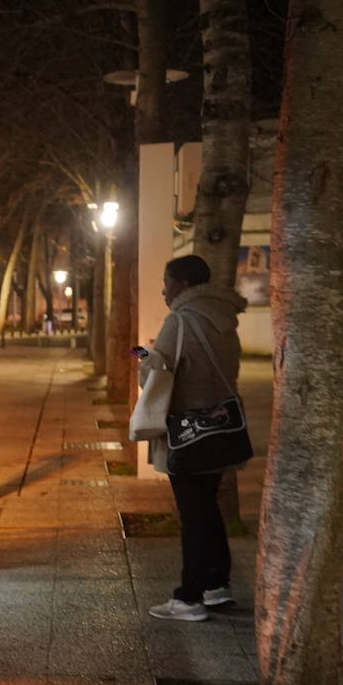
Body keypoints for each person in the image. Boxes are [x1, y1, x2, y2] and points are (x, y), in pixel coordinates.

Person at [141, 254, 248, 622]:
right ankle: (216, 585)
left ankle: (189, 598)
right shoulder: (225, 318)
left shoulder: (180, 320)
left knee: (193, 514)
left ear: (183, 284)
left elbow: (155, 373)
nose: (164, 291)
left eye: (167, 283)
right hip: (221, 426)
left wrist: (142, 354)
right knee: (207, 507)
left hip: (188, 431)